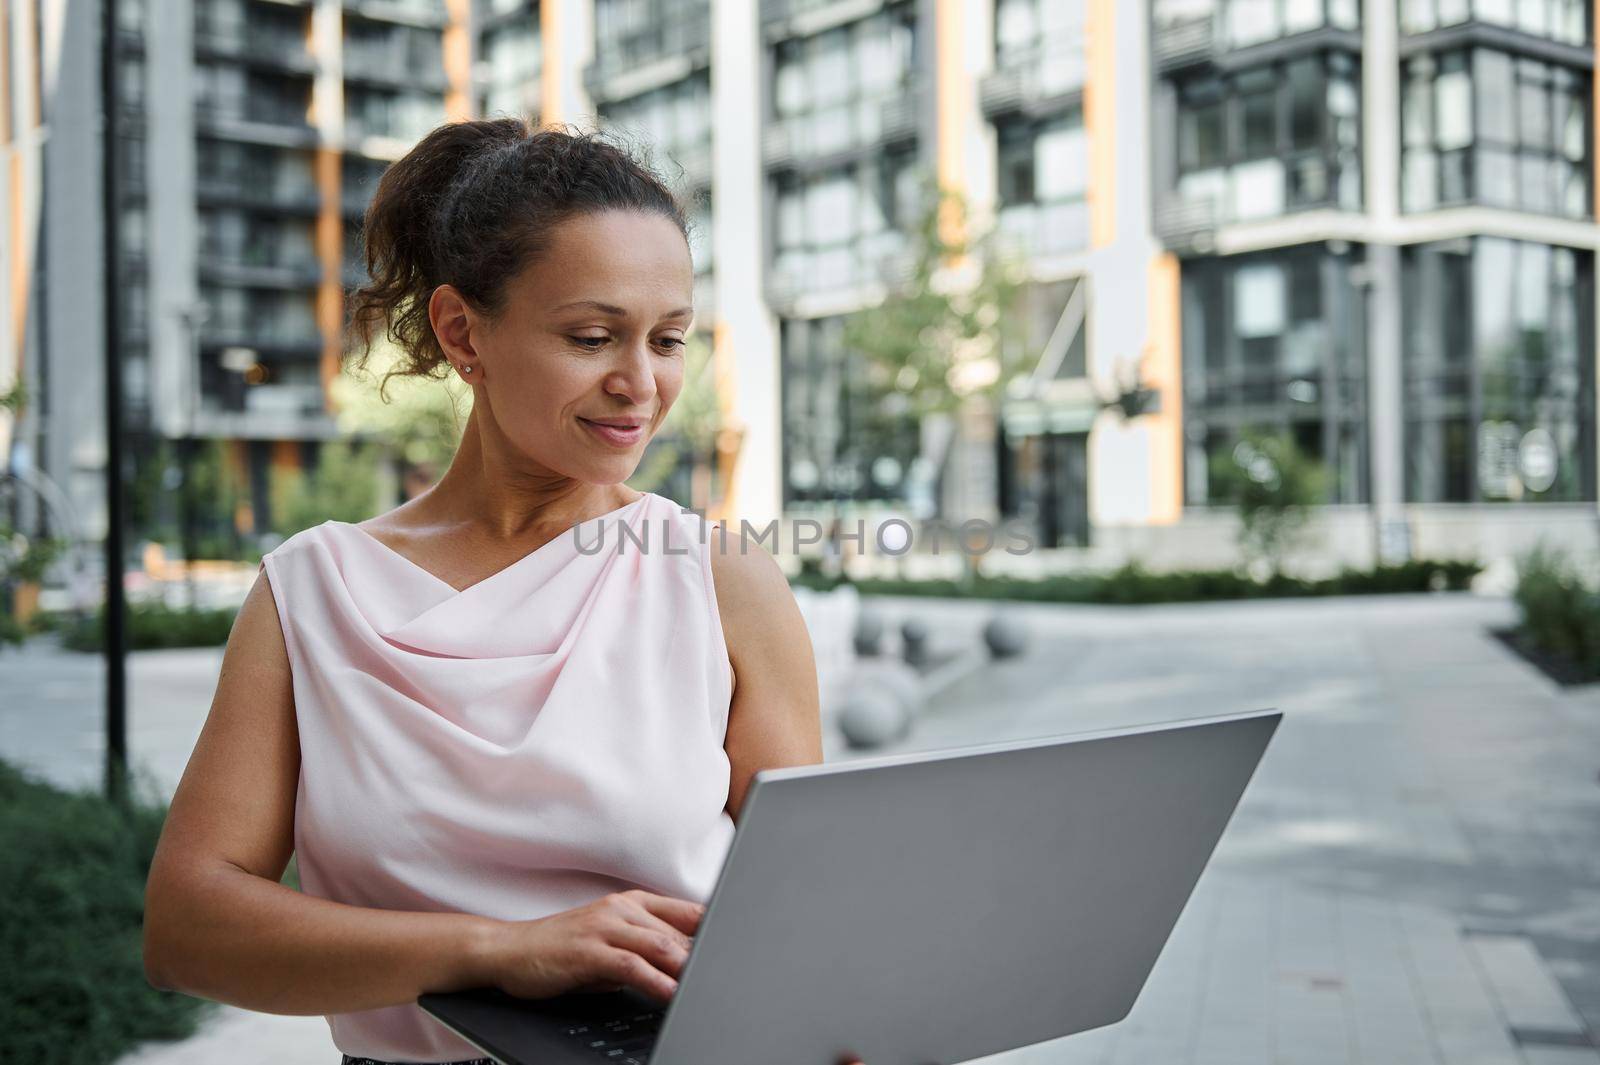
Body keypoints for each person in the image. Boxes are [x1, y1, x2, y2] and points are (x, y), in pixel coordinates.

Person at [142, 120, 861, 1065]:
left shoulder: (721, 580)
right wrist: (499, 949)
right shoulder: (311, 597)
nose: (639, 384)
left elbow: (802, 917)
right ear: (461, 332)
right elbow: (187, 928)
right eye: (593, 336)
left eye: (670, 339)